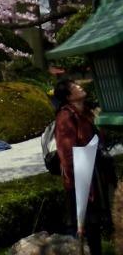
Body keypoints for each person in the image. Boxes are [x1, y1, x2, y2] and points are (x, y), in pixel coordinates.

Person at [53, 78, 102, 255]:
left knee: (94, 224)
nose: (80, 87)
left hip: (93, 174)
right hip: (79, 180)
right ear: (68, 96)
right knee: (82, 225)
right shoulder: (65, 117)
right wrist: (80, 181)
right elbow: (67, 155)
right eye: (74, 86)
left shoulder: (85, 112)